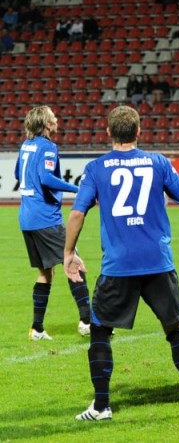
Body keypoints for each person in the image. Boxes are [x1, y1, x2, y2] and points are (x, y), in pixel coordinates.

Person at [64, 105, 179, 420]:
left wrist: (69, 253)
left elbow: (77, 213)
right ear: (139, 131)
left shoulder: (96, 167)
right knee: (175, 329)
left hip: (119, 265)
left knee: (99, 331)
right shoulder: (158, 162)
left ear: (108, 133)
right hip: (158, 261)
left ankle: (102, 406)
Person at [16, 106, 89, 340]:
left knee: (46, 274)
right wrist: (79, 188)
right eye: (53, 117)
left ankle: (37, 329)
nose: (57, 120)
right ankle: (88, 322)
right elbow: (47, 178)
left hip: (27, 218)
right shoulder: (48, 147)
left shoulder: (26, 145)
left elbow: (19, 174)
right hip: (45, 217)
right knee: (74, 264)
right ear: (47, 124)